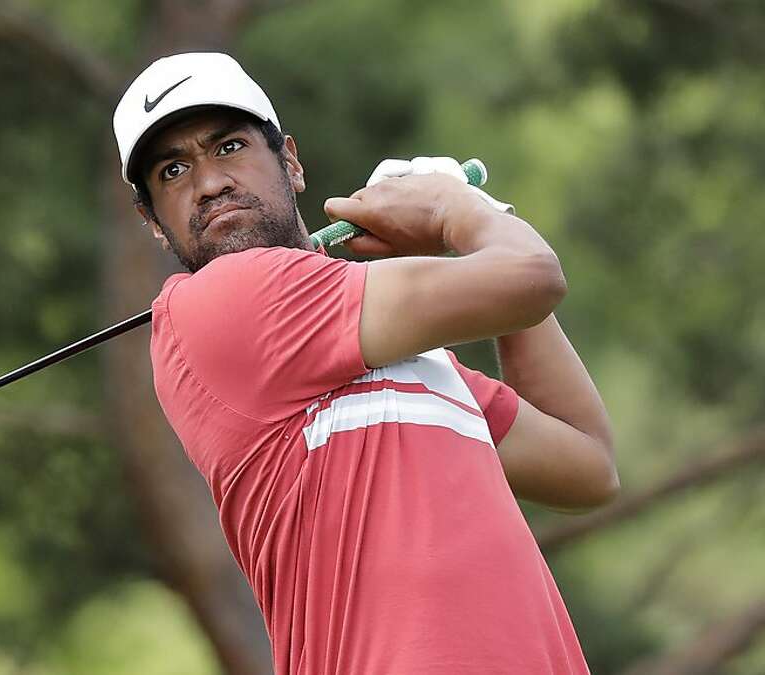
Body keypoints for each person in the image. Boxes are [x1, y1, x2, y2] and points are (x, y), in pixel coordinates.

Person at [112, 52, 618, 675]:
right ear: (152, 222)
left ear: (290, 161)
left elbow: (587, 464)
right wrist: (458, 212)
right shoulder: (221, 301)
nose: (210, 183)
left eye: (230, 146)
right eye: (173, 170)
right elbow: (534, 275)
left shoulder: (414, 363)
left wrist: (477, 231)